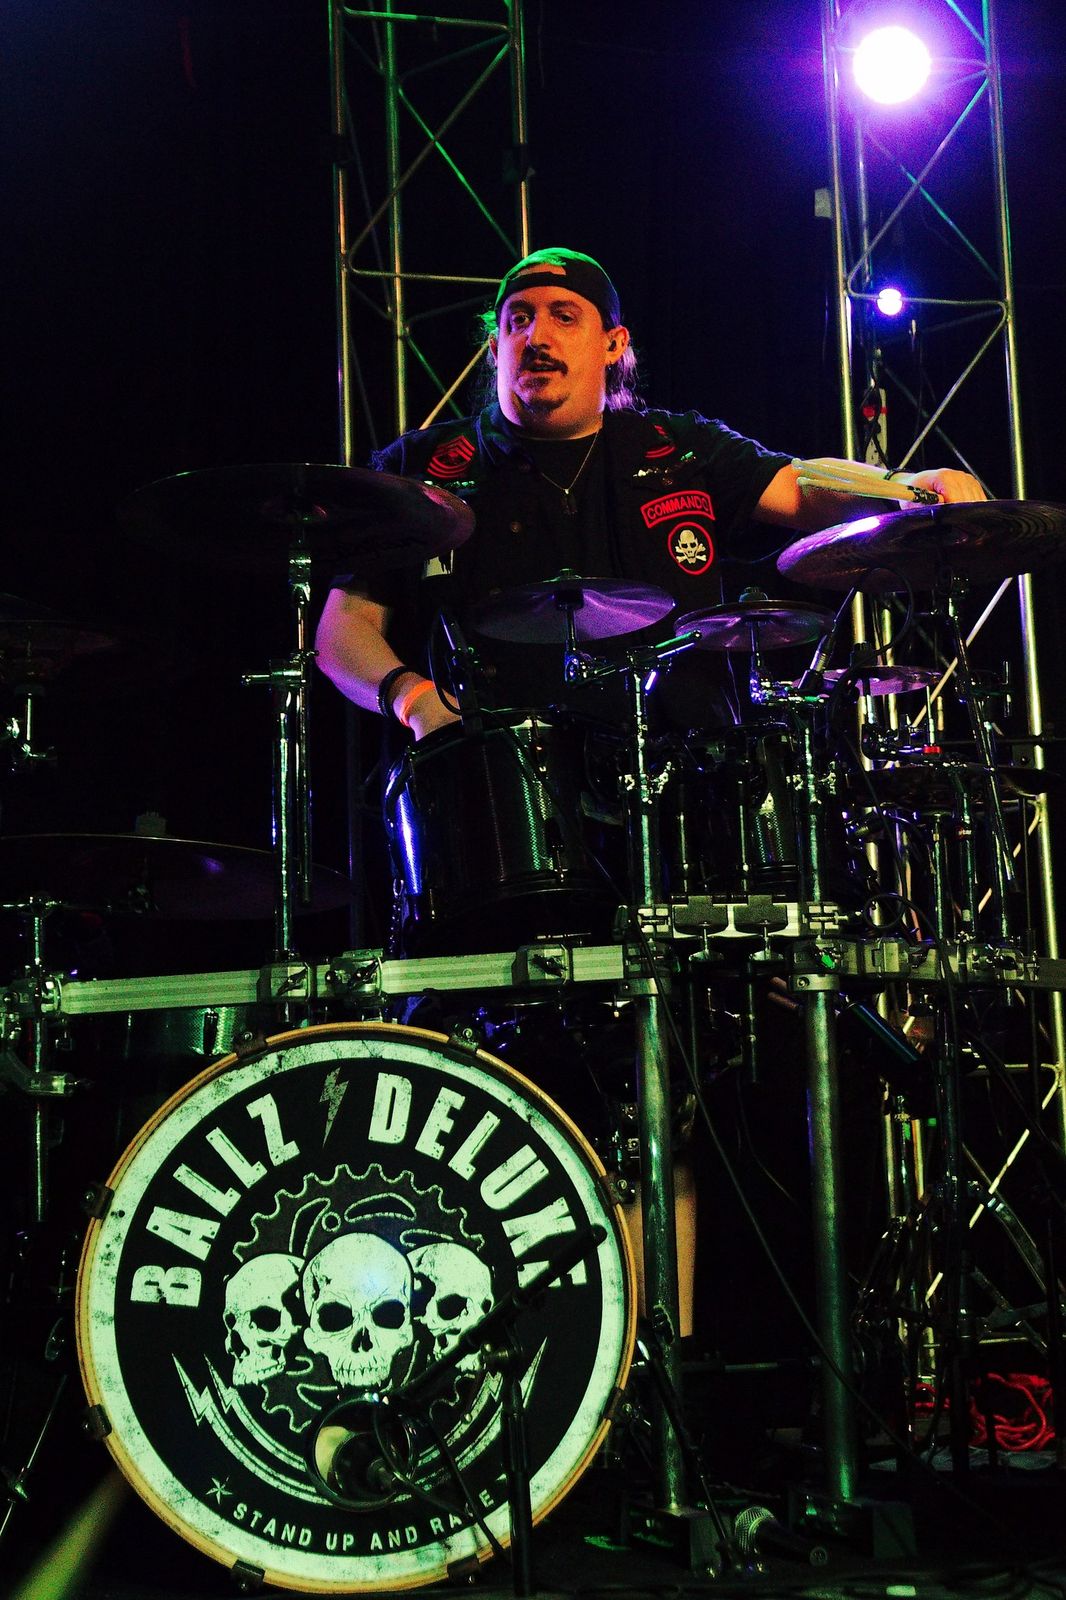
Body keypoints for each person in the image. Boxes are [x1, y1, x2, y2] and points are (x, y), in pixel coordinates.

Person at [314, 247, 987, 1335]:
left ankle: (651, 1375)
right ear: (495, 345)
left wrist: (907, 488)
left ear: (612, 344)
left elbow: (799, 483)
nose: (535, 335)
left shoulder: (672, 447)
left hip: (670, 813)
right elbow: (342, 631)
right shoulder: (432, 468)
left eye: (562, 315)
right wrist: (413, 699)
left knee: (659, 1102)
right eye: (516, 317)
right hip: (500, 823)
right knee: (502, 1098)